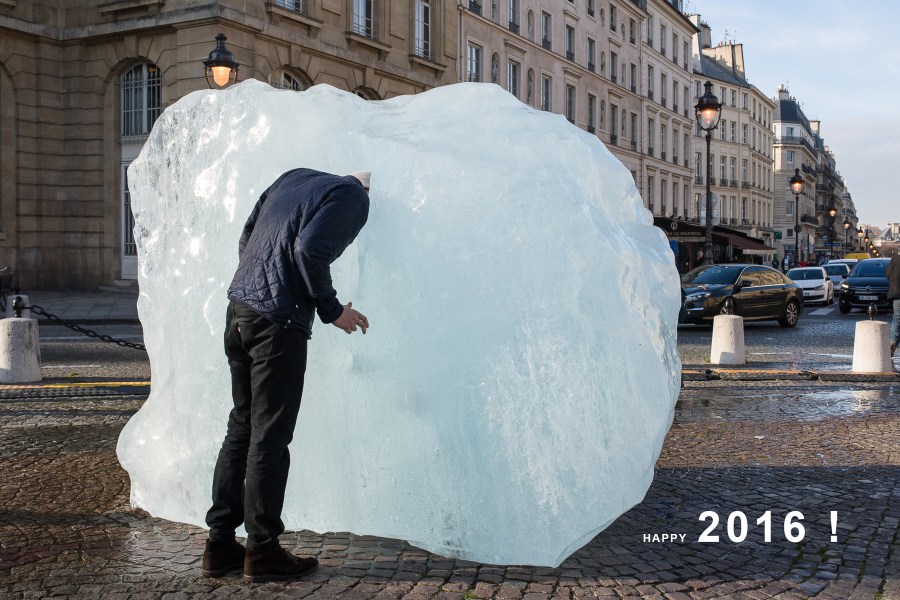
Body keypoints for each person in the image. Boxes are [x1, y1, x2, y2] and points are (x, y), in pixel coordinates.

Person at [202, 168, 371, 582]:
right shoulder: (354, 197)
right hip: (279, 321)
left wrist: (257, 288)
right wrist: (334, 311)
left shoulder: (292, 178)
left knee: (241, 425)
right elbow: (309, 249)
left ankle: (220, 544)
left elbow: (247, 237)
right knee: (270, 436)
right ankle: (262, 553)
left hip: (239, 309)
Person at [888, 253, 900, 358]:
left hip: (897, 295)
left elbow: (888, 274)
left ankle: (892, 342)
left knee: (896, 319)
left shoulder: (894, 260)